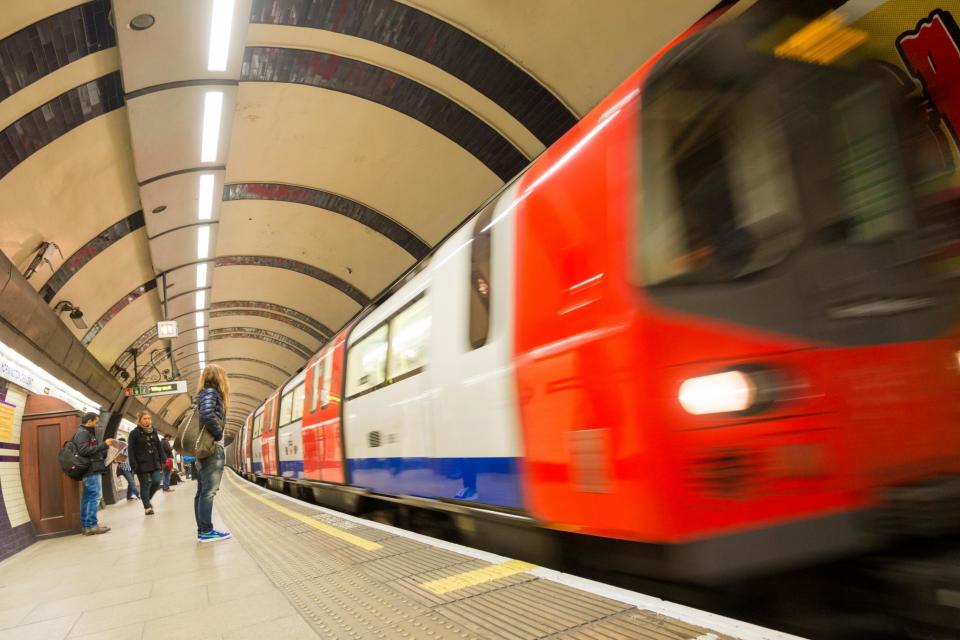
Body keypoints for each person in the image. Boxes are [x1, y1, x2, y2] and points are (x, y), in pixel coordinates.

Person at [195, 364, 231, 542]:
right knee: (208, 492)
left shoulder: (202, 393)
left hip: (204, 450)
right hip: (211, 448)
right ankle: (207, 531)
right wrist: (218, 433)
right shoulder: (211, 393)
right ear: (219, 377)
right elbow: (208, 414)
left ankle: (203, 530)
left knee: (202, 491)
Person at [73, 412, 115, 535]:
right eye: (96, 422)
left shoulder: (88, 433)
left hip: (93, 468)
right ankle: (92, 525)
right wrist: (104, 444)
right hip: (90, 470)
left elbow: (93, 451)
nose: (97, 425)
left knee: (88, 497)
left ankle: (87, 526)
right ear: (89, 421)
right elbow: (84, 450)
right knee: (95, 496)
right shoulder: (82, 433)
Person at [127, 412, 166, 516]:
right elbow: (131, 450)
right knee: (144, 485)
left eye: (149, 418)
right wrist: (133, 464)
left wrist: (163, 458)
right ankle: (147, 507)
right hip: (141, 464)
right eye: (145, 418)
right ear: (140, 420)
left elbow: (158, 445)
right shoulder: (134, 433)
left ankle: (146, 500)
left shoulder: (154, 431)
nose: (147, 420)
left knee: (157, 481)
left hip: (154, 462)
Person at [115, 437, 140, 501]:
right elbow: (115, 460)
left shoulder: (129, 448)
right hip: (124, 468)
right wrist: (118, 458)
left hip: (131, 467)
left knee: (131, 482)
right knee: (131, 482)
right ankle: (138, 494)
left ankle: (129, 496)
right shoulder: (118, 450)